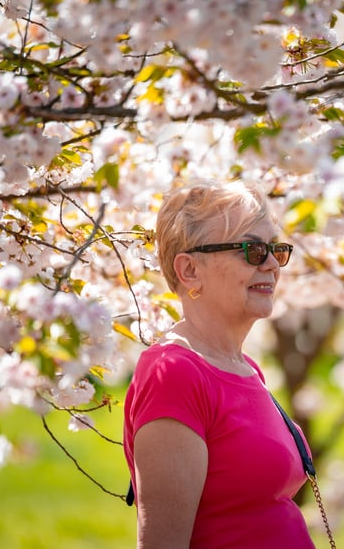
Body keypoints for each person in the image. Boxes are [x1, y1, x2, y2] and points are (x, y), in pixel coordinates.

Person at [123, 178, 315, 548]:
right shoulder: (175, 375)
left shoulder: (246, 369)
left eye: (276, 249)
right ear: (190, 270)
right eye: (252, 250)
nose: (273, 264)